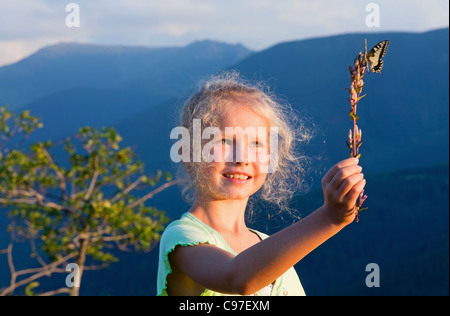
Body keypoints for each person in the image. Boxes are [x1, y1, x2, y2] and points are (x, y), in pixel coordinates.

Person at [157, 72, 366, 296]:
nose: (242, 158)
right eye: (224, 141)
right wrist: (329, 218)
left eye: (256, 144)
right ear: (188, 154)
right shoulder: (182, 237)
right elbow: (237, 279)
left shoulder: (268, 249)